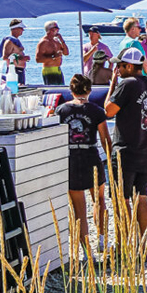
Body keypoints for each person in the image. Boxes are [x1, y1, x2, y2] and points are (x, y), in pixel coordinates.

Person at [102, 45, 147, 239]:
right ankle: (143, 242)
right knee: (142, 197)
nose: (117, 70)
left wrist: (112, 85)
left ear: (129, 67)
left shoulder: (127, 84)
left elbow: (108, 111)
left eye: (120, 66)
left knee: (122, 198)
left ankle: (126, 244)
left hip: (125, 150)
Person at [55, 73, 110, 253]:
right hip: (90, 155)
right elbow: (105, 139)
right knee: (99, 200)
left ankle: (87, 252)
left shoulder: (61, 111)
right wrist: (110, 159)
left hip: (71, 158)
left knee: (79, 208)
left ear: (71, 91)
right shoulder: (96, 110)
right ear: (89, 90)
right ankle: (102, 239)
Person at [35, 21, 70, 90]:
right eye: (56, 29)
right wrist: (53, 57)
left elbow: (66, 53)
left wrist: (62, 40)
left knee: (61, 90)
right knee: (53, 90)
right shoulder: (44, 42)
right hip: (49, 70)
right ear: (51, 30)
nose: (58, 31)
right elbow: (38, 59)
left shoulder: (56, 41)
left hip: (58, 69)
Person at [0, 19, 30, 84]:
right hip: (14, 71)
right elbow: (5, 58)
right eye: (21, 28)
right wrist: (22, 59)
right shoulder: (9, 41)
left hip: (19, 70)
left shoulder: (14, 40)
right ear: (15, 29)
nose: (23, 30)